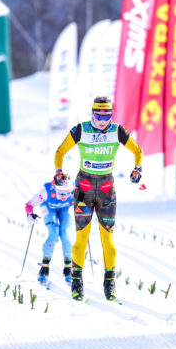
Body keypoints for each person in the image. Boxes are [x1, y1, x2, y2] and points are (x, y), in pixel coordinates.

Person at [53, 96, 143, 301]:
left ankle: (109, 283)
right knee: (81, 238)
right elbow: (60, 151)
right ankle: (76, 282)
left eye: (107, 115)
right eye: (98, 115)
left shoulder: (117, 130)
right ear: (92, 113)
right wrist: (58, 171)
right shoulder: (81, 130)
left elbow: (137, 151)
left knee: (108, 241)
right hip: (84, 188)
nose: (103, 121)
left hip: (106, 189)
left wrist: (138, 168)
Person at [24, 177, 75, 284]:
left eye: (67, 193)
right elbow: (29, 204)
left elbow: (87, 204)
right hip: (49, 207)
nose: (64, 196)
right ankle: (44, 267)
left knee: (65, 234)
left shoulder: (76, 190)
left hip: (66, 208)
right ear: (55, 189)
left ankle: (68, 268)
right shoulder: (47, 191)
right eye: (60, 193)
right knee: (53, 233)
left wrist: (87, 214)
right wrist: (29, 215)